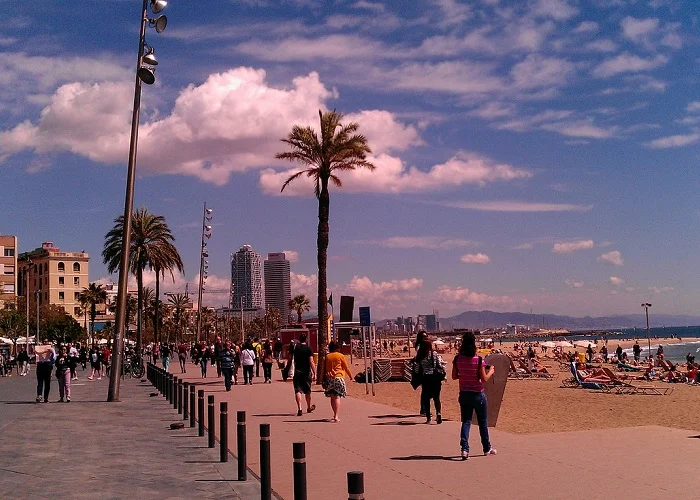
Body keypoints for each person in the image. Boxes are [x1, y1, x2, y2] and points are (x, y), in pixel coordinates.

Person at [451, 331, 496, 460]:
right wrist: (491, 371)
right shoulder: (478, 360)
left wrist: (464, 375)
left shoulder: (457, 359)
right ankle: (487, 448)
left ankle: (464, 449)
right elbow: (484, 379)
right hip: (477, 394)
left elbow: (454, 376)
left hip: (464, 394)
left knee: (466, 421)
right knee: (482, 422)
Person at [287, 333, 316, 416]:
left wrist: (287, 368)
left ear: (299, 339)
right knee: (307, 391)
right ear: (306, 339)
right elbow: (311, 361)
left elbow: (289, 358)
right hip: (306, 372)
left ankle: (299, 408)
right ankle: (308, 407)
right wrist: (315, 373)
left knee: (297, 390)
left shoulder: (296, 348)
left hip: (297, 371)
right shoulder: (308, 349)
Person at [416, 339, 445, 424]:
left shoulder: (420, 355)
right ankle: (439, 414)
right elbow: (439, 365)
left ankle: (428, 418)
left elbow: (417, 368)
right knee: (436, 397)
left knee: (426, 398)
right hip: (435, 377)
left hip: (426, 378)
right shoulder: (434, 354)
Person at [323, 341, 352, 422]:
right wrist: (351, 376)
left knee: (332, 397)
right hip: (339, 377)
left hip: (330, 379)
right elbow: (346, 367)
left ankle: (334, 413)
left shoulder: (327, 356)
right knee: (337, 396)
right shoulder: (341, 356)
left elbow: (324, 369)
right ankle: (336, 415)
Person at [36, 339, 56, 403]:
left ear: (48, 342)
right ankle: (39, 395)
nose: (44, 342)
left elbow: (54, 358)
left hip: (47, 366)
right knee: (40, 382)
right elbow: (36, 356)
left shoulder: (51, 348)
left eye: (46, 341)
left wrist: (52, 353)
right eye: (43, 341)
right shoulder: (39, 348)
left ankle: (46, 398)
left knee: (47, 383)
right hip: (40, 365)